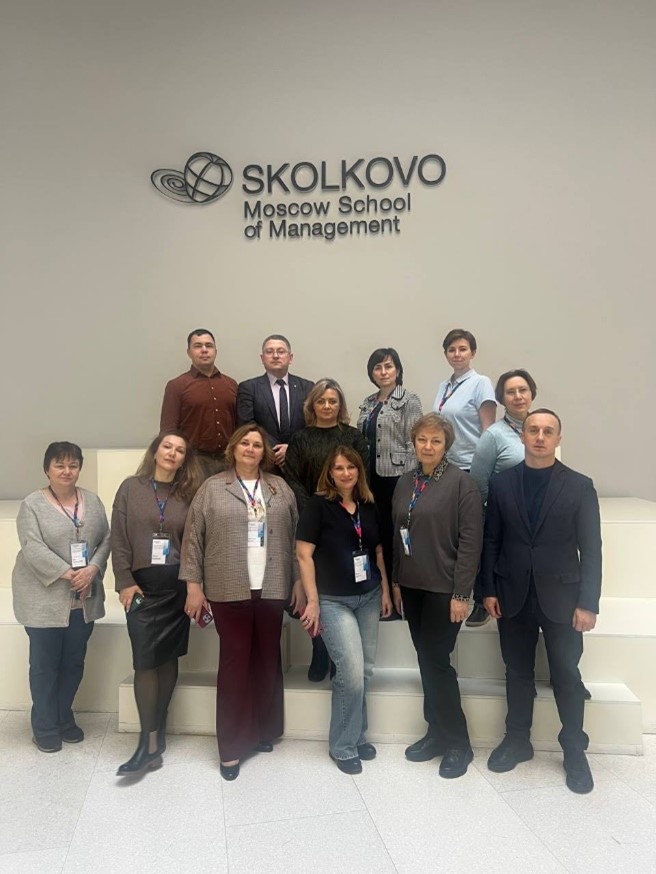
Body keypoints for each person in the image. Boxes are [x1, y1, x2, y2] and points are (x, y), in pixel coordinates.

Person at [482, 409, 602, 794]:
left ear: (558, 439)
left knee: (566, 673)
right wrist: (488, 590)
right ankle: (518, 739)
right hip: (512, 594)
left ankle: (574, 748)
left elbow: (592, 550)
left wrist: (588, 603)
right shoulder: (502, 484)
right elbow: (492, 540)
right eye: (533, 430)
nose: (539, 436)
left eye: (548, 431)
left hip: (564, 599)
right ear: (522, 436)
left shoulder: (580, 486)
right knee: (517, 671)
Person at [180, 423, 301, 781]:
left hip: (272, 586)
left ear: (265, 452)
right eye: (244, 443)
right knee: (235, 664)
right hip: (227, 586)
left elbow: (296, 538)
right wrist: (193, 586)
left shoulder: (279, 488)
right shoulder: (213, 488)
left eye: (257, 445)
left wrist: (297, 581)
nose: (250, 449)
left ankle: (263, 730)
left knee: (267, 659)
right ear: (233, 449)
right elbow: (193, 539)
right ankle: (231, 746)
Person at [391, 413, 482, 779]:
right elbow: (397, 533)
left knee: (436, 662)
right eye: (422, 440)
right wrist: (396, 581)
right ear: (414, 443)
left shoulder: (462, 484)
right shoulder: (406, 482)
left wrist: (462, 593)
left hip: (445, 590)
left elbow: (471, 544)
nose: (427, 446)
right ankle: (436, 733)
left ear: (447, 445)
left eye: (436, 441)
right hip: (412, 587)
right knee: (427, 661)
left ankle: (459, 742)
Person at [296, 446, 392, 774]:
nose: (346, 473)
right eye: (339, 468)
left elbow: (377, 550)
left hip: (369, 596)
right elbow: (304, 555)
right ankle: (343, 745)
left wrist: (385, 589)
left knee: (364, 671)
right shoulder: (318, 506)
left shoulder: (368, 504)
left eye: (351, 467)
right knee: (349, 674)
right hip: (333, 601)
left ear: (359, 471)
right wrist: (312, 601)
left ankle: (357, 734)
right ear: (330, 473)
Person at [111, 430, 202, 776]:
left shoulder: (188, 494)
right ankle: (146, 744)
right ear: (155, 450)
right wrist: (124, 581)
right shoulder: (130, 488)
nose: (172, 453)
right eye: (167, 446)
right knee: (145, 662)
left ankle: (155, 734)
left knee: (167, 659)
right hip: (141, 589)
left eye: (180, 450)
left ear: (184, 459)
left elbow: (193, 543)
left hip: (176, 586)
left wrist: (194, 586)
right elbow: (118, 537)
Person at [12, 442, 110, 753]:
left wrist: (92, 569)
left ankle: (64, 717)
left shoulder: (92, 501)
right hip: (43, 600)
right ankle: (44, 725)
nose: (67, 471)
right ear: (47, 469)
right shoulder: (32, 504)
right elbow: (32, 547)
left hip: (82, 599)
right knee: (45, 666)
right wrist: (69, 573)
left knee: (73, 663)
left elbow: (106, 539)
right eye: (59, 465)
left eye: (73, 465)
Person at [285, 378, 370, 681]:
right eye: (321, 401)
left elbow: (362, 474)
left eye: (333, 401)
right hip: (312, 519)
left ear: (340, 405)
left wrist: (337, 508)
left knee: (340, 583)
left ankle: (340, 652)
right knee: (317, 585)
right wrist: (316, 508)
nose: (327, 406)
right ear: (312, 405)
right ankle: (319, 647)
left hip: (347, 521)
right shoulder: (300, 438)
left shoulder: (353, 437)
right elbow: (291, 477)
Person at [466, 369, 537, 627]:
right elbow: (478, 482)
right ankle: (481, 599)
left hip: (538, 512)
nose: (518, 396)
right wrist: (495, 512)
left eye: (523, 390)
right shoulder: (493, 436)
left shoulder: (542, 427)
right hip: (503, 514)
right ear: (501, 398)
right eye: (510, 392)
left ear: (532, 393)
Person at [357, 348, 422, 592]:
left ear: (398, 370)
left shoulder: (409, 400)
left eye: (388, 366)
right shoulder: (369, 402)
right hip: (369, 478)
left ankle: (401, 589)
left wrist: (410, 481)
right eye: (378, 367)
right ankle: (380, 588)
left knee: (396, 533)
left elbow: (414, 442)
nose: (383, 372)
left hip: (397, 478)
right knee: (376, 533)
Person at [160, 328, 238, 478]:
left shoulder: (231, 385)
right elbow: (168, 430)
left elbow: (239, 426)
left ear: (216, 351)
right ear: (189, 352)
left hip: (228, 462)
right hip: (193, 463)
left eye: (209, 346)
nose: (204, 350)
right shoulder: (176, 386)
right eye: (197, 346)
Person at [236, 333, 314, 472]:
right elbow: (247, 425)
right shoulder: (248, 388)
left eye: (281, 351)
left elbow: (313, 424)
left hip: (301, 462)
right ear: (262, 358)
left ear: (290, 358)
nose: (275, 356)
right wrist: (276, 451)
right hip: (264, 463)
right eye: (269, 351)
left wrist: (291, 449)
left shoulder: (307, 387)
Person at [432, 328, 496, 470]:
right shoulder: (444, 386)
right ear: (445, 354)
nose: (457, 354)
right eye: (451, 350)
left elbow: (489, 432)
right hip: (444, 463)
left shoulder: (481, 383)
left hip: (471, 464)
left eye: (462, 349)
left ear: (472, 353)